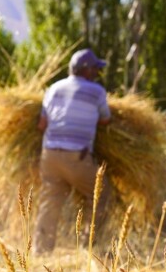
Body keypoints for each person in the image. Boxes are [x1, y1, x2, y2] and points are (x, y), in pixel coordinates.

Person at [34, 48, 112, 255]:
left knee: (50, 200)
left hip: (49, 154)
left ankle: (41, 251)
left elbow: (42, 124)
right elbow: (105, 119)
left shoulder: (53, 88)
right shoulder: (96, 91)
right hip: (76, 157)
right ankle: (89, 248)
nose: (97, 73)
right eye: (95, 68)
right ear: (86, 70)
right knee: (100, 195)